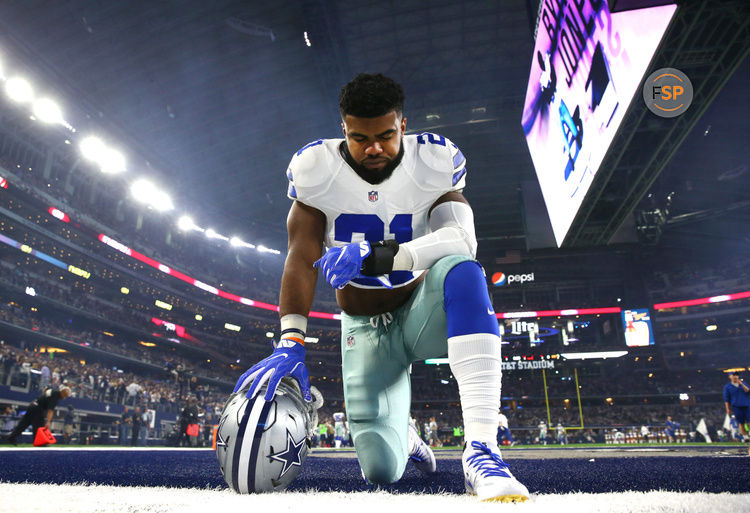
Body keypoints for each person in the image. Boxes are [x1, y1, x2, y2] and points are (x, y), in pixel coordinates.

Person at [234, 73, 528, 502]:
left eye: (386, 135)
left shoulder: (433, 161)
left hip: (420, 308)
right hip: (364, 322)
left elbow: (461, 240)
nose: (374, 148)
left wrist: (378, 256)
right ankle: (403, 436)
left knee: (464, 269)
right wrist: (290, 339)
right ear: (344, 131)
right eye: (360, 138)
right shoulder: (316, 170)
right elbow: (300, 254)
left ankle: (482, 450)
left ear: (403, 126)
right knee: (381, 471)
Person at [3, 385, 71, 445]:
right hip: (38, 408)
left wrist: (44, 398)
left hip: (33, 404)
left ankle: (12, 438)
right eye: (66, 395)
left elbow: (46, 389)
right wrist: (48, 421)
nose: (65, 397)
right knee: (39, 426)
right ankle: (39, 442)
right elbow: (50, 411)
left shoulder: (53, 390)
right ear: (63, 393)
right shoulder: (56, 396)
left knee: (24, 424)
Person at [723, 372, 750, 441]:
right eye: (733, 375)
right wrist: (727, 409)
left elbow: (748, 391)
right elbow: (726, 399)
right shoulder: (728, 387)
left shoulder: (743, 383)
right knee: (741, 422)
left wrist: (742, 384)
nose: (735, 376)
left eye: (736, 375)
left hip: (746, 405)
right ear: (730, 377)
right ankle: (745, 437)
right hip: (736, 406)